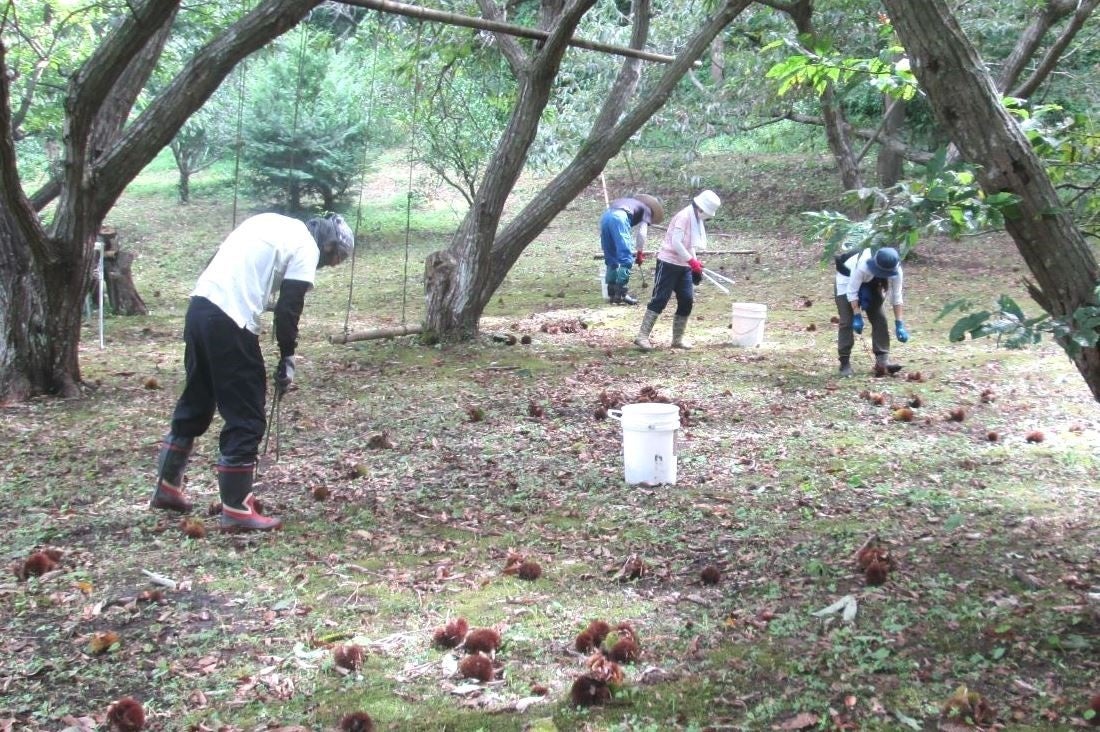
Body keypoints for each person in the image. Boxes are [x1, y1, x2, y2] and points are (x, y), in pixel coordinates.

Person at [150, 212, 354, 531]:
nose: (325, 265)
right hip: (230, 319)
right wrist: (287, 358)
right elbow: (289, 309)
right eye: (332, 258)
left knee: (198, 398)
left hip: (200, 308)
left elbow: (219, 261)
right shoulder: (306, 247)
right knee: (247, 411)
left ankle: (167, 486)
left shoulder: (267, 223)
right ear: (327, 245)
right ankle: (237, 508)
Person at [634, 190, 721, 351]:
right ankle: (642, 336)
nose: (707, 217)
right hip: (668, 263)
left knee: (687, 300)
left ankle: (677, 339)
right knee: (660, 299)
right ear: (701, 209)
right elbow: (676, 243)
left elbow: (690, 245)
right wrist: (691, 261)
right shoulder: (684, 216)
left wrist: (695, 263)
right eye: (707, 213)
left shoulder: (696, 219)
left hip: (684, 266)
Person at [834, 246, 910, 377]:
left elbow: (897, 296)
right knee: (847, 321)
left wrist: (899, 324)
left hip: (872, 282)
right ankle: (844, 362)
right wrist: (857, 316)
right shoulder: (863, 265)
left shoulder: (896, 269)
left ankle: (883, 360)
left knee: (879, 318)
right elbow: (852, 292)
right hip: (846, 280)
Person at [600, 194, 663, 305]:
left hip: (605, 217)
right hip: (619, 219)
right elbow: (642, 234)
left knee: (611, 257)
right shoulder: (647, 209)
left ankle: (612, 294)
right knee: (626, 258)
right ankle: (621, 294)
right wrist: (639, 252)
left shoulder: (630, 202)